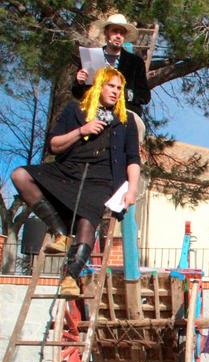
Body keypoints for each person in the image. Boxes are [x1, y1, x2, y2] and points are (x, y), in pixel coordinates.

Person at [11, 66, 140, 296]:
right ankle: (59, 232)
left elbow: (133, 158)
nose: (115, 91)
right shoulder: (75, 109)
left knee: (87, 218)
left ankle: (70, 276)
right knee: (20, 175)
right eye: (111, 86)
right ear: (99, 85)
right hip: (69, 171)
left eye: (119, 88)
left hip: (103, 178)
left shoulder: (126, 120)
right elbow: (54, 144)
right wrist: (82, 130)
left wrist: (132, 189)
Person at [72, 13, 151, 119]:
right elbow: (78, 93)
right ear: (106, 32)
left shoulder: (135, 63)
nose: (118, 36)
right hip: (93, 112)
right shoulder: (91, 57)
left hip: (124, 115)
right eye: (115, 31)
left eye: (122, 33)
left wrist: (123, 94)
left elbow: (144, 96)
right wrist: (80, 82)